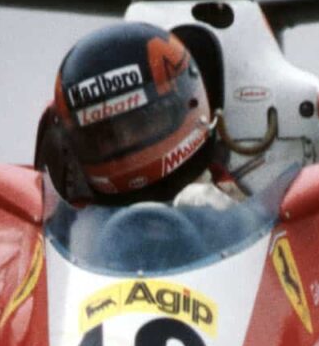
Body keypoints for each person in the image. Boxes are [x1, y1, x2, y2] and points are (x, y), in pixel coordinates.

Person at [36, 21, 239, 210]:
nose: (126, 141)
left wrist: (225, 217)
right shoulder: (72, 224)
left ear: (187, 104)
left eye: (141, 123)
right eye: (105, 136)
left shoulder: (231, 205)